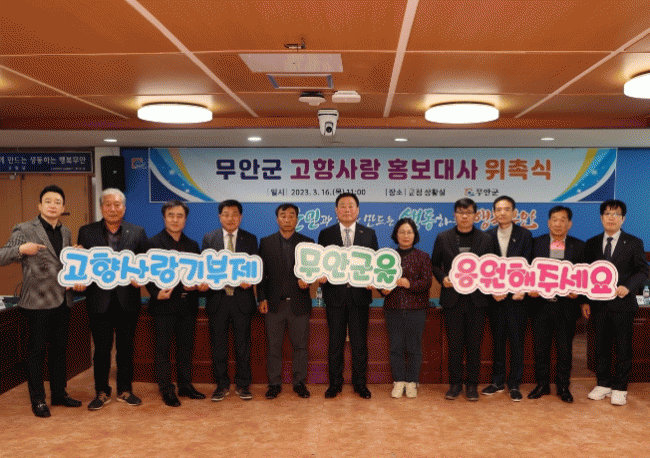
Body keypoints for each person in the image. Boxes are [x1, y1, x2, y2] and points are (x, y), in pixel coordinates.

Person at [0, 185, 81, 418]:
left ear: (63, 208)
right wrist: (21, 249)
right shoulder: (25, 229)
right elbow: (2, 256)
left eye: (57, 202)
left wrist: (75, 255)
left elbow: (61, 263)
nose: (52, 205)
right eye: (48, 201)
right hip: (36, 303)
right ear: (40, 205)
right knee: (36, 353)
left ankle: (59, 394)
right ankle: (38, 400)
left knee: (59, 351)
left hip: (62, 301)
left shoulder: (66, 231)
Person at [77, 188, 148, 411]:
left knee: (126, 349)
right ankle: (102, 391)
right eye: (108, 204)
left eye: (117, 205)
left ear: (124, 208)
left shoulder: (137, 232)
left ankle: (125, 390)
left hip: (128, 300)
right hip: (99, 301)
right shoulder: (87, 232)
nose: (113, 209)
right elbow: (83, 265)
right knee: (101, 350)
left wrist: (141, 276)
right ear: (101, 208)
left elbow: (145, 264)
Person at [582, 199, 648, 406]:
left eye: (616, 214)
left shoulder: (634, 242)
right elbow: (585, 274)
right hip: (598, 305)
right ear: (601, 218)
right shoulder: (591, 243)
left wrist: (629, 286)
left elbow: (642, 270)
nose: (611, 218)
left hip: (623, 305)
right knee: (600, 346)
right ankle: (603, 384)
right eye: (607, 214)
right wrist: (585, 301)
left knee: (622, 347)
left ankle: (620, 387)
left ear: (623, 219)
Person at [145, 200, 207, 407]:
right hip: (163, 306)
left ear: (185, 219)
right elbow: (144, 272)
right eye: (171, 215)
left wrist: (198, 285)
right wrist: (155, 293)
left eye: (179, 216)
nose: (175, 219)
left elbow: (198, 273)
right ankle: (167, 389)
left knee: (185, 349)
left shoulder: (193, 245)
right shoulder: (152, 243)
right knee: (163, 350)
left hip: (187, 305)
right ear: (164, 218)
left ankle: (185, 386)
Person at [431, 198, 494, 401]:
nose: (464, 216)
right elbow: (434, 264)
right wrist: (443, 278)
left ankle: (472, 385)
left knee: (474, 346)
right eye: (460, 212)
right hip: (453, 300)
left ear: (475, 215)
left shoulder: (486, 239)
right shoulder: (443, 237)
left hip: (477, 300)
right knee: (455, 345)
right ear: (454, 214)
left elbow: (492, 267)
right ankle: (455, 384)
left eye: (468, 212)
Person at [318, 193, 378, 399]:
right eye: (342, 206)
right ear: (336, 211)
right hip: (335, 296)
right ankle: (335, 384)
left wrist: (373, 279)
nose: (347, 209)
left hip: (360, 296)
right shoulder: (326, 234)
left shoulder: (368, 234)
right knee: (335, 343)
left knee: (359, 343)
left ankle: (360, 383)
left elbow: (375, 264)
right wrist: (321, 275)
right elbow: (321, 263)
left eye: (351, 206)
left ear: (358, 210)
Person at [202, 199, 258, 401]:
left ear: (240, 217)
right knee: (219, 345)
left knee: (243, 346)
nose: (230, 218)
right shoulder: (209, 238)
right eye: (226, 214)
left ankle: (243, 385)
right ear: (220, 217)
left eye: (234, 214)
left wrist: (250, 280)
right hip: (218, 299)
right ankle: (221, 385)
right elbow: (205, 268)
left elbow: (255, 268)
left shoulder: (250, 239)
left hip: (242, 300)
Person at [528, 206, 584, 403]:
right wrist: (530, 288)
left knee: (565, 350)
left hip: (566, 306)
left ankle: (563, 386)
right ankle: (542, 384)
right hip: (540, 306)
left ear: (569, 224)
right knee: (540, 349)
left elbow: (584, 275)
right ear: (548, 222)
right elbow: (527, 271)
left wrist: (579, 293)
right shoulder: (536, 243)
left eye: (562, 220)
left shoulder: (579, 246)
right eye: (554, 219)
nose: (558, 224)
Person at [257, 203, 314, 399]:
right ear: (277, 219)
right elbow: (261, 274)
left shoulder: (308, 243)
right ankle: (274, 384)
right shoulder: (266, 242)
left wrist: (309, 280)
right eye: (283, 215)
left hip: (299, 303)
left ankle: (299, 383)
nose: (287, 219)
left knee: (300, 347)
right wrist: (261, 298)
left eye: (291, 215)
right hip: (274, 304)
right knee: (274, 347)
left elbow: (313, 270)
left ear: (297, 219)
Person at [482, 195, 533, 401]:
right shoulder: (487, 236)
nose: (502, 213)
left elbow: (529, 265)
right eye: (498, 209)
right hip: (495, 299)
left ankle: (514, 384)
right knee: (498, 341)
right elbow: (484, 268)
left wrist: (521, 289)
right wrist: (492, 290)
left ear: (514, 212)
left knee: (517, 342)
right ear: (493, 213)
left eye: (506, 209)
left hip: (517, 299)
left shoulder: (525, 235)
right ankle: (497, 381)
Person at [381, 218, 432, 399]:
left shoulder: (423, 256)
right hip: (393, 308)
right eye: (402, 232)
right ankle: (398, 381)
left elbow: (427, 282)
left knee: (414, 347)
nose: (405, 235)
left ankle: (412, 382)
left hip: (416, 309)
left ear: (414, 235)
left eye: (409, 232)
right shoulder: (388, 256)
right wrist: (382, 289)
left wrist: (409, 283)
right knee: (395, 347)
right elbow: (380, 280)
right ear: (396, 234)